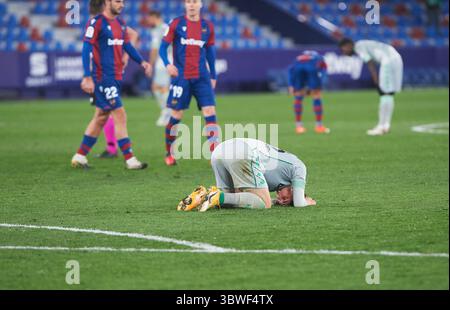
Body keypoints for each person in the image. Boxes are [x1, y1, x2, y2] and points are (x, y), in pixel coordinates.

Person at [71, 0, 152, 169]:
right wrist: (87, 76)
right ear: (107, 2)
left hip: (115, 77)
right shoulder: (97, 22)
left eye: (122, 2)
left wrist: (141, 62)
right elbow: (86, 48)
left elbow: (128, 45)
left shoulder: (120, 24)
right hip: (102, 78)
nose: (121, 5)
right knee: (120, 114)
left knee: (101, 117)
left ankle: (80, 156)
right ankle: (130, 159)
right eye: (117, 1)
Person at [177, 138, 317, 212]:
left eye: (284, 202)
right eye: (289, 198)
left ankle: (202, 196)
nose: (282, 200)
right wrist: (308, 201)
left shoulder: (277, 178)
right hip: (241, 151)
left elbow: (243, 196)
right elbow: (299, 203)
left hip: (221, 151)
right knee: (265, 203)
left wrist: (275, 201)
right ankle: (216, 196)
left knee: (229, 202)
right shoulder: (299, 167)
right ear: (293, 188)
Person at [159, 0, 218, 166]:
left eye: (195, 2)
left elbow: (211, 53)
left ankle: (214, 154)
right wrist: (167, 64)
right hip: (181, 77)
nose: (191, 5)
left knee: (210, 111)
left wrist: (213, 75)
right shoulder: (176, 23)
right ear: (185, 4)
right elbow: (162, 48)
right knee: (177, 114)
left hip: (202, 77)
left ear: (201, 4)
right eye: (188, 2)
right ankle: (169, 152)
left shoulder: (208, 26)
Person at [88, 0, 140, 159]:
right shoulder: (99, 22)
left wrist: (125, 57)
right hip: (102, 72)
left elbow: (133, 34)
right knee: (103, 111)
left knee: (106, 111)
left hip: (106, 73)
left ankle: (113, 149)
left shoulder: (101, 22)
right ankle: (109, 148)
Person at [339, 38, 404, 136]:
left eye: (343, 49)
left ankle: (381, 126)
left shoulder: (358, 47)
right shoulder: (363, 43)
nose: (344, 52)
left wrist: (375, 79)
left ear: (348, 45)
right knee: (389, 94)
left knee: (384, 94)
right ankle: (386, 125)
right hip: (396, 58)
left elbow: (369, 62)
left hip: (388, 60)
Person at [288, 50, 330, 134]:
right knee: (316, 95)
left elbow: (291, 70)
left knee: (298, 96)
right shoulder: (319, 58)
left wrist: (291, 84)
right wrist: (320, 83)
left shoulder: (298, 58)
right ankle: (319, 126)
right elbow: (324, 69)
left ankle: (299, 127)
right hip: (312, 68)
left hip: (298, 69)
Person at [147, 10, 172, 127]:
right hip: (168, 60)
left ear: (154, 17)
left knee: (161, 88)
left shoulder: (158, 30)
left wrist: (150, 64)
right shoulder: (166, 27)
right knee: (159, 87)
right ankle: (166, 111)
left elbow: (155, 49)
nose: (148, 21)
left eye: (149, 18)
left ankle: (167, 112)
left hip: (162, 61)